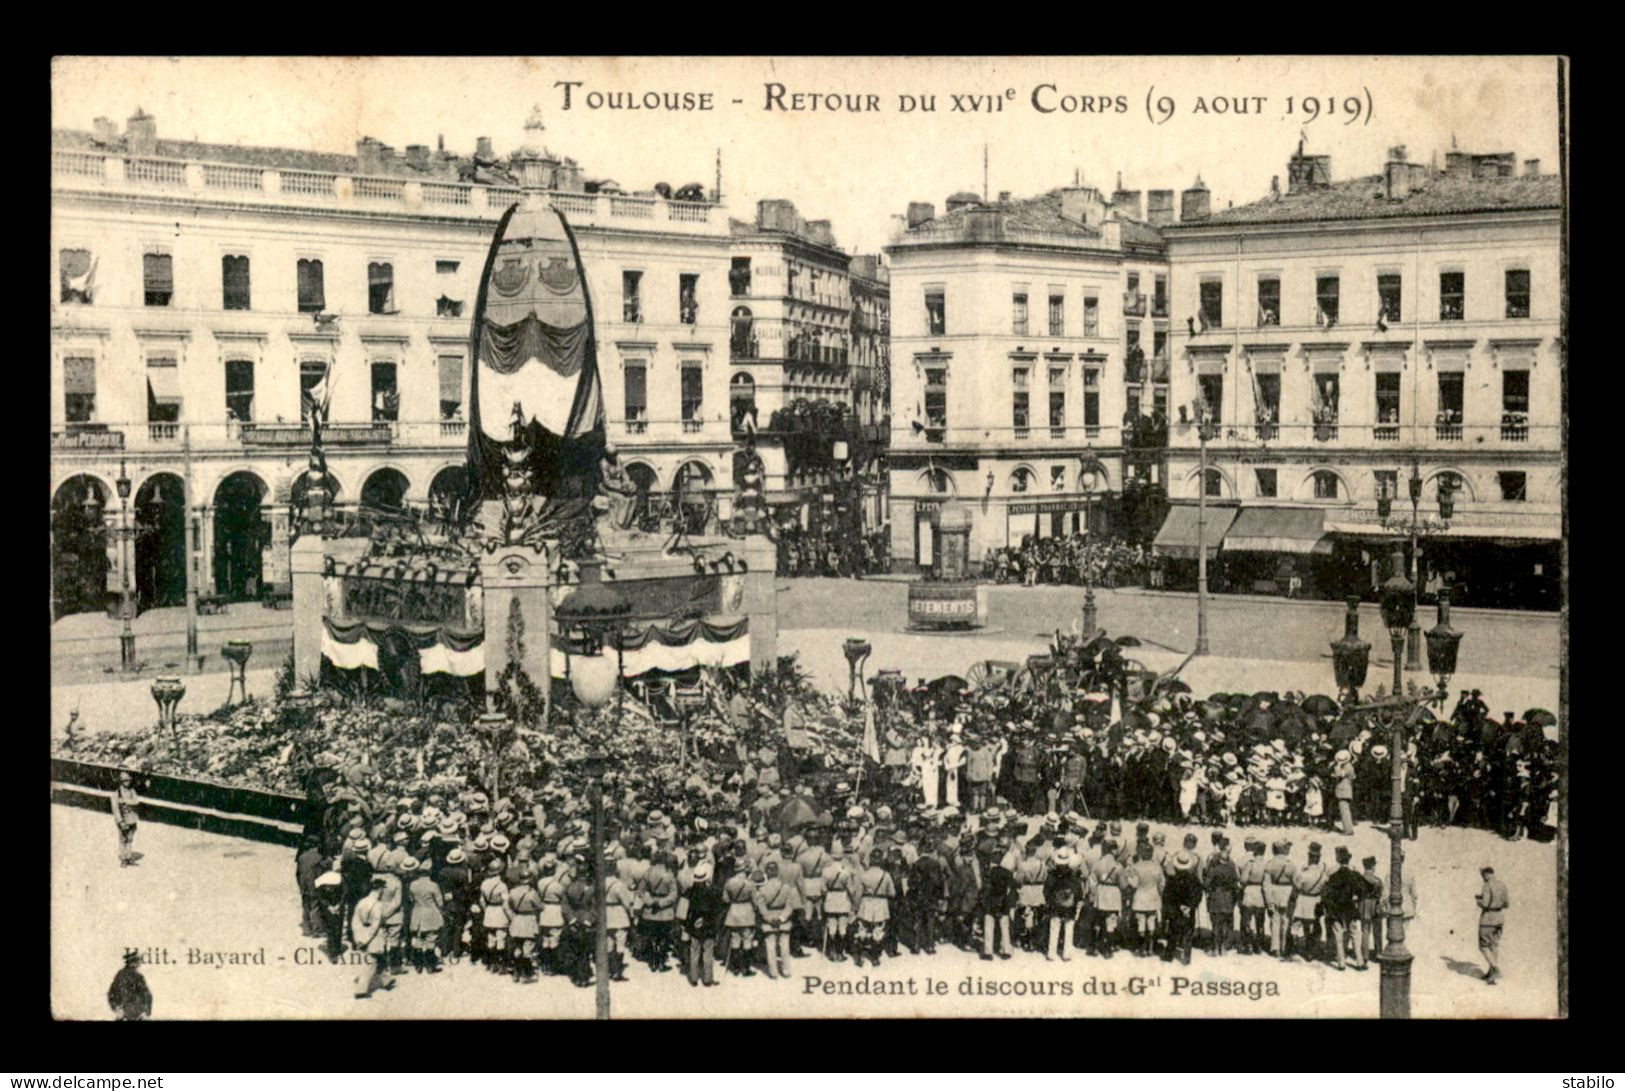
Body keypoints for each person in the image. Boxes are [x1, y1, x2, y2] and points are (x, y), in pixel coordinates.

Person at [1322, 846, 1367, 971]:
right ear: (1349, 860)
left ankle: (1341, 963)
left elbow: (1327, 894)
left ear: (1338, 860)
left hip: (1337, 909)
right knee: (1355, 935)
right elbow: (1362, 890)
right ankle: (1360, 962)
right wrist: (1356, 899)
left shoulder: (1333, 876)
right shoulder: (1354, 875)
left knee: (1339, 936)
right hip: (1350, 907)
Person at [351, 875, 395, 999]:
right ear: (380, 889)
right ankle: (361, 990)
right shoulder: (378, 905)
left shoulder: (362, 902)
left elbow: (355, 921)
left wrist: (358, 937)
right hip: (375, 938)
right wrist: (366, 940)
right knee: (371, 963)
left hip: (363, 935)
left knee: (381, 960)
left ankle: (386, 981)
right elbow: (375, 925)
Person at [684, 861, 723, 987]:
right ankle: (707, 979)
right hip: (709, 924)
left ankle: (693, 978)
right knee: (708, 952)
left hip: (694, 924)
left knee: (694, 951)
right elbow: (717, 909)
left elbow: (685, 909)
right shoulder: (713, 892)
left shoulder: (690, 892)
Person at [1043, 845, 1083, 961]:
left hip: (1055, 905)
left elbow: (1046, 890)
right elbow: (1078, 891)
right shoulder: (1073, 875)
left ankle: (1051, 953)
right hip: (1069, 906)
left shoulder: (1052, 874)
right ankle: (1066, 953)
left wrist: (1050, 901)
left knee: (1054, 928)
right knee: (1069, 929)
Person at [1204, 837, 1242, 957]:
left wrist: (1209, 892)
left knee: (1216, 924)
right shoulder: (1231, 867)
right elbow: (1236, 882)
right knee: (1227, 923)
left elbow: (1207, 883)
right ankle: (1224, 948)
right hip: (1228, 898)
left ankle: (1215, 948)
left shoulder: (1214, 868)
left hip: (1215, 897)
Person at [1476, 864, 1510, 985]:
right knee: (1494, 946)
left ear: (1486, 874)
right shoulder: (1502, 885)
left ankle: (1495, 969)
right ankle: (1491, 974)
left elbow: (1485, 904)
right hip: (1500, 918)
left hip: (1488, 918)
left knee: (1483, 946)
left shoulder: (1486, 885)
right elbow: (1507, 904)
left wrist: (1478, 901)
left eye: (1482, 875)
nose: (1482, 877)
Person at [107, 951, 152, 1021]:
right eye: (137, 961)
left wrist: (117, 1008)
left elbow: (111, 994)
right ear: (133, 963)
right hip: (132, 1014)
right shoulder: (130, 976)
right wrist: (145, 1012)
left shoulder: (122, 975)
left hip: (131, 1014)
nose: (139, 964)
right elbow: (147, 995)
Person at [114, 771, 140, 867]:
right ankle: (124, 859)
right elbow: (115, 809)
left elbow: (136, 801)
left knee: (130, 839)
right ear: (121, 781)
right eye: (125, 780)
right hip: (123, 820)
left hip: (132, 819)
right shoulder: (116, 794)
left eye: (128, 780)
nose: (127, 782)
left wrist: (126, 801)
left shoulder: (132, 791)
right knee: (122, 839)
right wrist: (120, 821)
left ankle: (129, 857)